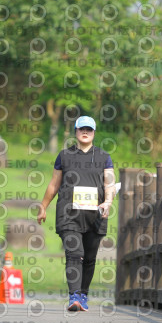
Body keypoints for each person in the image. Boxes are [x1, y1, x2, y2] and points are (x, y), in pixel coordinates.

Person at [38, 116, 116, 311]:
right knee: (75, 254)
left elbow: (110, 183)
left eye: (89, 129)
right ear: (75, 131)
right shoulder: (64, 156)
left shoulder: (104, 157)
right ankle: (73, 297)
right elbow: (54, 184)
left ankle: (82, 295)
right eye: (82, 129)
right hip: (69, 213)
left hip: (95, 216)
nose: (85, 132)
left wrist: (108, 202)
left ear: (94, 133)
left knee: (89, 258)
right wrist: (43, 206)